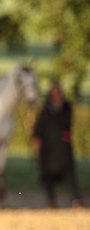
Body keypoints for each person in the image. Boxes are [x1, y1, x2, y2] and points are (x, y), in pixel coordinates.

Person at [31, 80, 83, 208]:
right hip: (47, 150)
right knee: (47, 177)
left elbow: (66, 124)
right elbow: (38, 127)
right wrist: (36, 138)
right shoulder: (45, 110)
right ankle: (51, 202)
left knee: (69, 176)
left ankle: (77, 201)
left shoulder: (66, 108)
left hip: (62, 148)